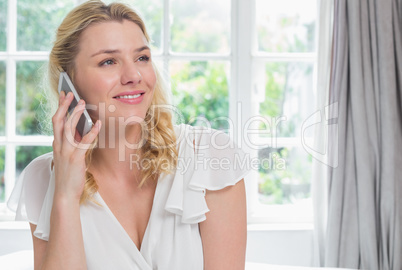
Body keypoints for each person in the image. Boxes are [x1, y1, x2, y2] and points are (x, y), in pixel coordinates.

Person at [7, 1, 249, 269]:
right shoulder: (43, 178)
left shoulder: (209, 156)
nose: (134, 75)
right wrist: (65, 194)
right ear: (70, 81)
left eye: (142, 57)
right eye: (108, 61)